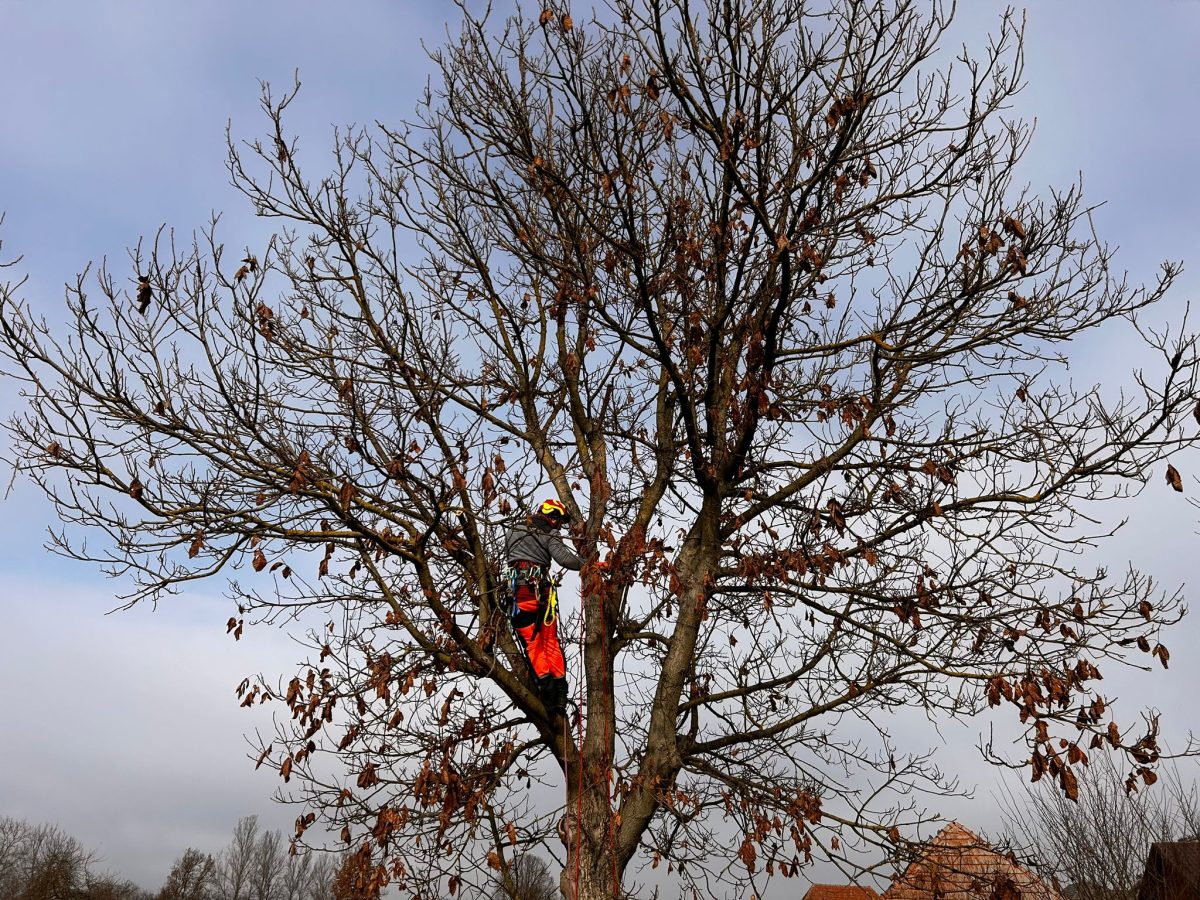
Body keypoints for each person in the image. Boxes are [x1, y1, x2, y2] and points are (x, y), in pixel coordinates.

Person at [504, 498, 583, 715]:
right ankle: (558, 696)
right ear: (553, 516)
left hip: (518, 597)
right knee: (549, 642)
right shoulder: (549, 532)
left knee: (532, 645)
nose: (559, 526)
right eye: (559, 521)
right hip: (540, 594)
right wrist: (588, 563)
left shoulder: (513, 530)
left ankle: (546, 693)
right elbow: (565, 559)